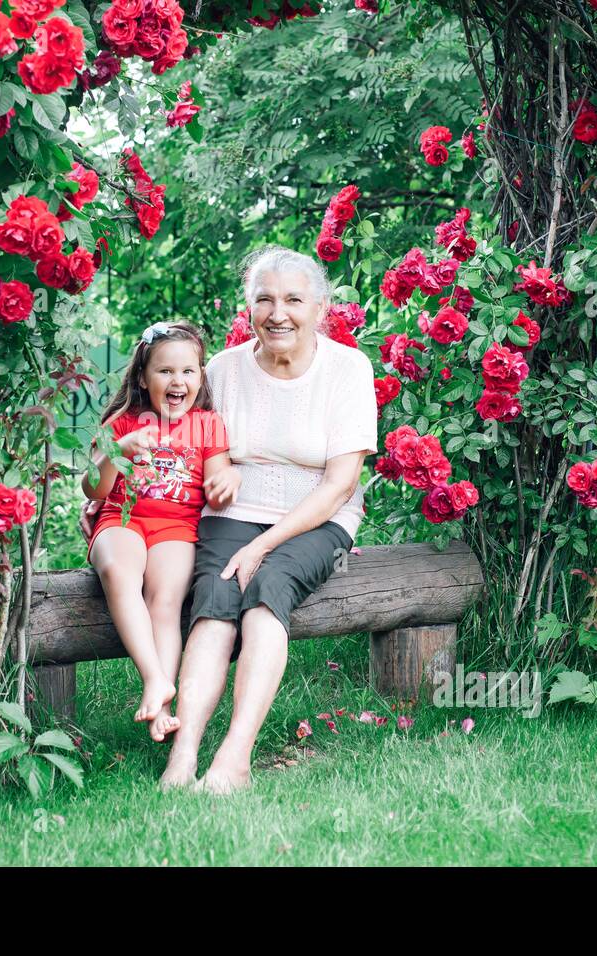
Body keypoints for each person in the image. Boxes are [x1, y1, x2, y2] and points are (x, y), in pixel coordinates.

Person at [158, 246, 378, 793]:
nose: (278, 313)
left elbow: (340, 485)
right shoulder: (224, 369)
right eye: (265, 300)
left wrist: (264, 547)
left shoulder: (348, 369)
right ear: (248, 306)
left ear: (320, 306)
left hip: (321, 521)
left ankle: (234, 757)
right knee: (215, 597)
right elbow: (180, 434)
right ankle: (182, 757)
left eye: (293, 300)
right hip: (234, 512)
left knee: (267, 588)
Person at [82, 321, 240, 742]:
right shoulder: (123, 423)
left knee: (165, 600)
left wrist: (227, 484)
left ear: (201, 377)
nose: (177, 381)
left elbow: (219, 479)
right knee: (119, 571)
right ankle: (155, 679)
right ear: (143, 377)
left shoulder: (208, 425)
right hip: (123, 517)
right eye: (165, 371)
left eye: (188, 371)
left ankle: (162, 707)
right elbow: (93, 488)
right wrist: (121, 451)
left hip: (177, 525)